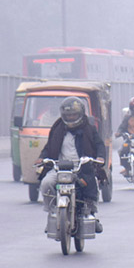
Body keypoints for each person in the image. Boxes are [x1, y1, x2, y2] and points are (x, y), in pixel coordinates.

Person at [37, 96, 105, 233]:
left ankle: (91, 212)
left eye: (74, 115)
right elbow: (49, 147)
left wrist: (100, 157)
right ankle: (52, 213)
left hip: (81, 167)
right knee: (46, 183)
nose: (71, 118)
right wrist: (42, 158)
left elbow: (99, 145)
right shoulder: (57, 128)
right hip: (60, 167)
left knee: (91, 184)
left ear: (80, 114)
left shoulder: (89, 129)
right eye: (68, 115)